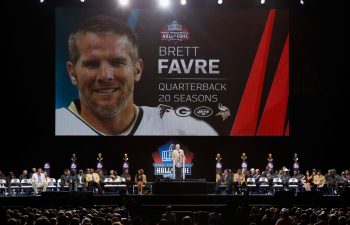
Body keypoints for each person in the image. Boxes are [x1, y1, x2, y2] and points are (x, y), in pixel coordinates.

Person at [55, 15, 218, 136]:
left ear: (137, 70)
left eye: (117, 62)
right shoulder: (57, 124)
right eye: (92, 64)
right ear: (72, 73)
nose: (105, 75)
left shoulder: (186, 130)